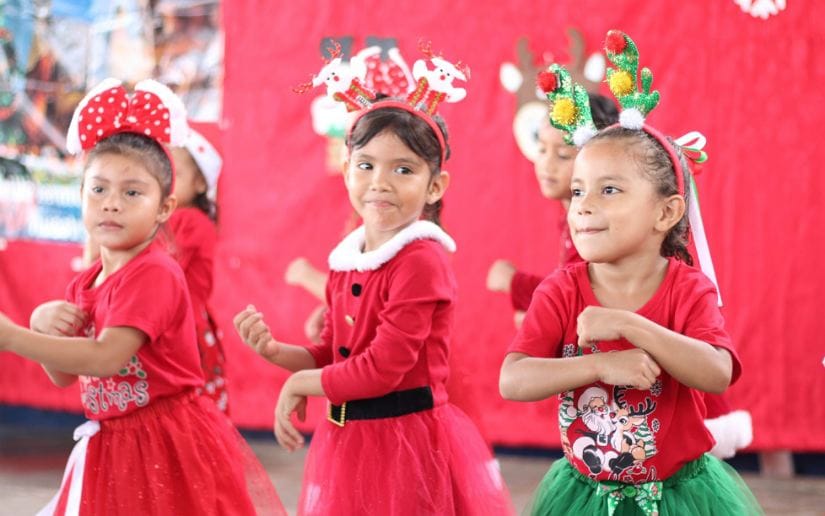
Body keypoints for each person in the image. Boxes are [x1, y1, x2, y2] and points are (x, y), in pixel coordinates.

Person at [235, 50, 513, 514]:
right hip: (350, 441)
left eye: (402, 169)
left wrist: (302, 383)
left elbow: (384, 366)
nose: (380, 181)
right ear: (347, 171)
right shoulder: (348, 258)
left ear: (435, 186)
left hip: (406, 444)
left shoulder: (421, 260)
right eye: (366, 165)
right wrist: (276, 354)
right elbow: (333, 351)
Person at [499, 32, 761, 515]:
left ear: (666, 213)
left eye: (610, 190)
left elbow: (718, 373)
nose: (584, 207)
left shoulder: (686, 289)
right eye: (578, 192)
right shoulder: (562, 290)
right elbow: (513, 380)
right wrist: (599, 365)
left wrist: (629, 326)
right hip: (585, 493)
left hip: (676, 496)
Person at [0, 78, 283, 515]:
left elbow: (105, 358)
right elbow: (65, 375)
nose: (112, 203)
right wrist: (41, 322)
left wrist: (13, 336)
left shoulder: (154, 272)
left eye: (132, 192)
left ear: (165, 207)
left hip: (165, 445)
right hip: (114, 444)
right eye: (99, 189)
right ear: (81, 196)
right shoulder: (87, 281)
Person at [486, 92, 618, 325]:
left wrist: (515, 282)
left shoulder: (598, 222)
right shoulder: (571, 217)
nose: (546, 164)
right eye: (542, 150)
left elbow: (577, 294)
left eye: (563, 155)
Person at [166, 121, 229, 412]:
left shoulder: (190, 220)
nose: (164, 179)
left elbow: (163, 264)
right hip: (177, 325)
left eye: (174, 171)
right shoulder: (172, 220)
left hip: (184, 329)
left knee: (189, 410)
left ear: (201, 183)